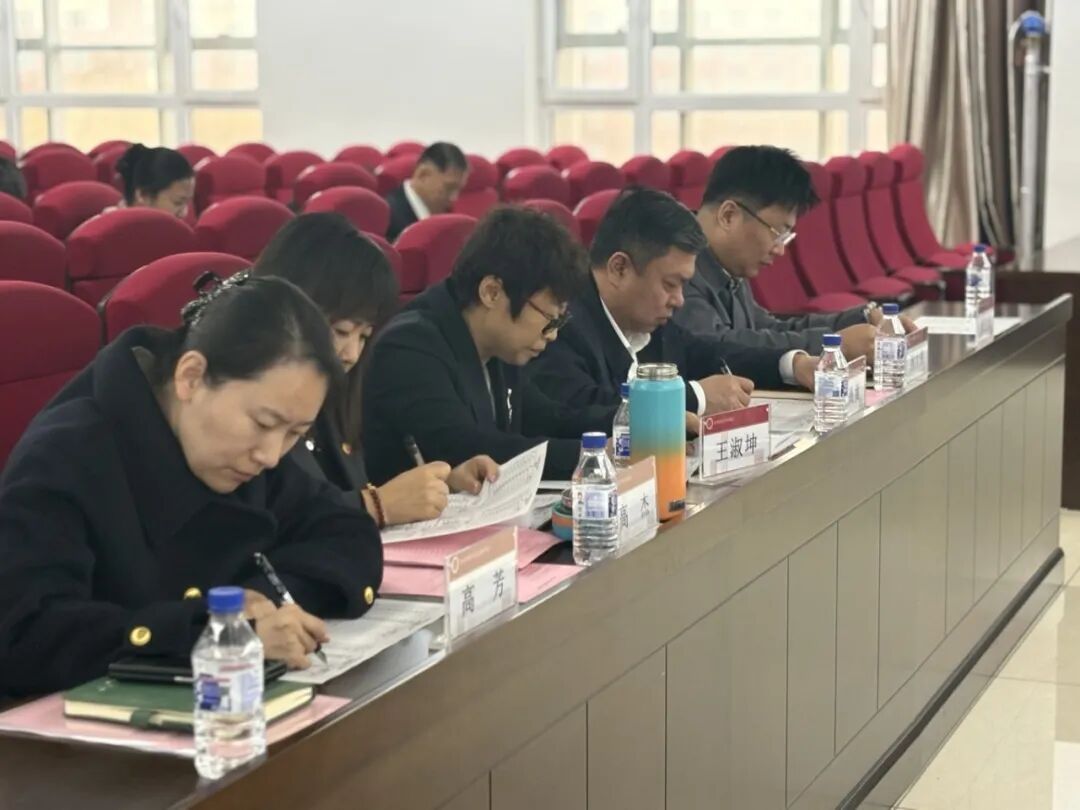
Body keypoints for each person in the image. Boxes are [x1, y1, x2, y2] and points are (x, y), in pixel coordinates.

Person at [0, 274, 383, 696]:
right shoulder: (66, 456)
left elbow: (349, 534)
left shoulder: (241, 450)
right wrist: (218, 633)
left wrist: (256, 602)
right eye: (263, 423)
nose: (272, 455)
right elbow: (27, 634)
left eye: (295, 433)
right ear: (191, 376)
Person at [252, 212, 499, 526]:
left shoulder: (337, 391)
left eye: (364, 336)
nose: (351, 354)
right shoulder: (247, 397)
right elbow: (274, 518)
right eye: (341, 331)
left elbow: (341, 491)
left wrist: (441, 489)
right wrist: (376, 505)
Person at [364, 205, 612, 485]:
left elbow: (548, 418)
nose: (552, 335)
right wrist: (593, 456)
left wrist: (627, 426)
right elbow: (470, 449)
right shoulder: (409, 347)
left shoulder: (499, 343)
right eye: (549, 319)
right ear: (492, 292)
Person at [529, 187, 818, 420]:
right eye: (670, 284)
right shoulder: (559, 321)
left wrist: (792, 365)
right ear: (620, 268)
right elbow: (582, 408)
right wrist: (695, 397)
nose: (679, 300)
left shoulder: (645, 319)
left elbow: (707, 353)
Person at [674, 145, 914, 359]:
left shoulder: (726, 263)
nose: (780, 250)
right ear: (729, 216)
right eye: (777, 233)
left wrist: (861, 318)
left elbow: (765, 329)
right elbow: (717, 345)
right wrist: (834, 345)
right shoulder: (676, 262)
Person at [385, 141, 469, 241]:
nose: (454, 198)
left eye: (458, 190)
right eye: (449, 188)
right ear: (423, 175)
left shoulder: (447, 219)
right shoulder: (388, 217)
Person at [113, 143, 195, 219]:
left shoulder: (175, 228)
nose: (184, 213)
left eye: (187, 203)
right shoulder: (111, 228)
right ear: (144, 195)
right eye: (177, 202)